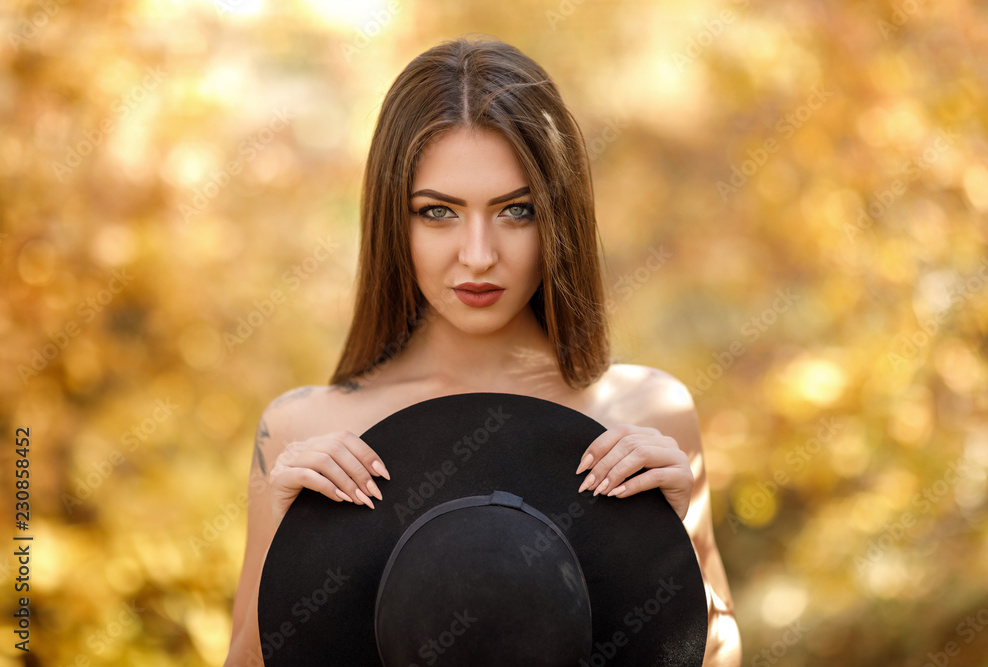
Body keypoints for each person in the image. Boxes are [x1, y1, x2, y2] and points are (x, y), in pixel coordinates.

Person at [225, 34, 741, 666]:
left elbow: (713, 655)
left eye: (516, 210)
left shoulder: (647, 412)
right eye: (438, 212)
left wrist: (676, 539)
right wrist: (288, 534)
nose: (477, 255)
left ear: (560, 217)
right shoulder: (301, 429)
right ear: (394, 219)